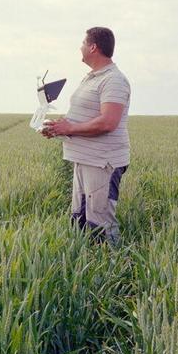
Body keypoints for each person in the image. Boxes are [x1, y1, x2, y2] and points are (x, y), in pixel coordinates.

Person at [42, 27, 130, 245]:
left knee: (99, 223)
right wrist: (59, 127)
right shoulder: (92, 78)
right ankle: (86, 269)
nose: (80, 47)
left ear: (93, 47)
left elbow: (108, 122)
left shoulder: (113, 80)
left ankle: (112, 271)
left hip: (102, 162)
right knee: (80, 219)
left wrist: (69, 129)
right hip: (85, 160)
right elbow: (84, 117)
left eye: (83, 42)